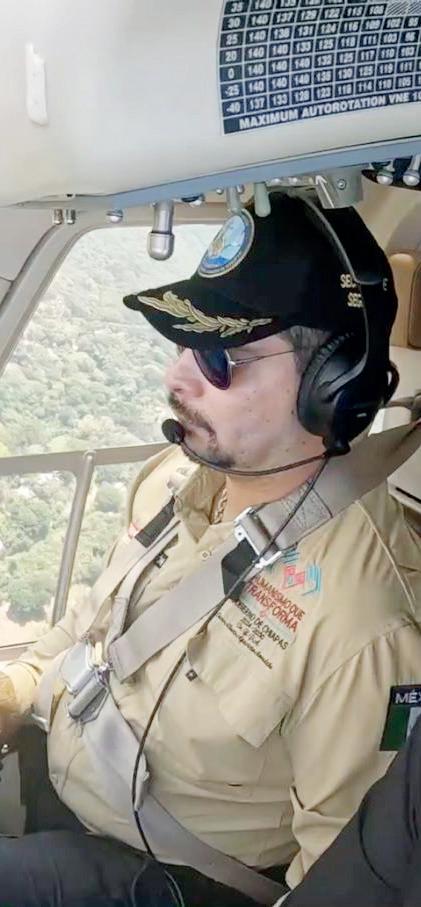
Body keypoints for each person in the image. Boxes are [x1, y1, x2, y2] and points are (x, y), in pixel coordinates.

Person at [0, 191, 420, 907]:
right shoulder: (175, 480)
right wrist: (14, 689)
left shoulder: (363, 625)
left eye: (222, 356)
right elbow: (87, 630)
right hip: (64, 794)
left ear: (333, 386)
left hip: (168, 878)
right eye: (181, 341)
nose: (176, 378)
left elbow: (344, 879)